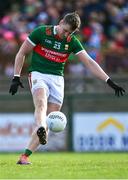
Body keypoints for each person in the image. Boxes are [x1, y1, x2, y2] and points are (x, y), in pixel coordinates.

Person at [9, 12, 125, 165]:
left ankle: (24, 156)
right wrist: (16, 77)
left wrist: (109, 81)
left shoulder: (72, 41)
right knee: (41, 103)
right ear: (61, 21)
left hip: (57, 79)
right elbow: (22, 52)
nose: (66, 35)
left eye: (70, 33)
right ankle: (40, 127)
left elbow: (89, 62)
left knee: (51, 119)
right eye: (65, 30)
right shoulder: (41, 32)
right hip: (39, 74)